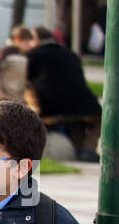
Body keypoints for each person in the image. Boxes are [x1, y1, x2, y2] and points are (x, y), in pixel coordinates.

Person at [24, 25, 102, 161]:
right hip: (82, 103)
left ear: (35, 40)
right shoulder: (70, 54)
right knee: (90, 121)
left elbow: (25, 81)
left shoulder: (31, 55)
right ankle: (86, 150)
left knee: (74, 121)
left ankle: (79, 150)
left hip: (49, 105)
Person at [0, 24, 34, 102]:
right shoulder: (5, 52)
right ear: (17, 39)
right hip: (4, 96)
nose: (29, 46)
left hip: (16, 96)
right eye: (27, 42)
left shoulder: (20, 53)